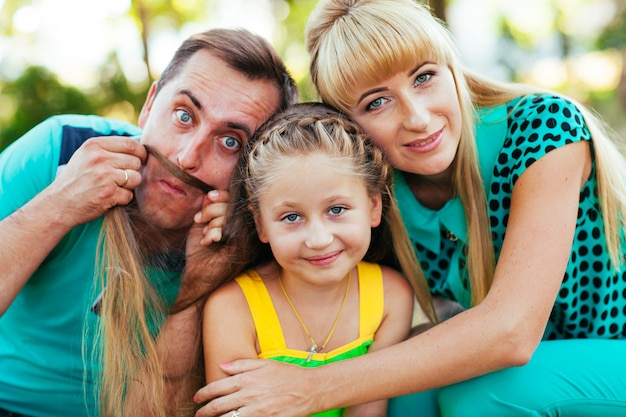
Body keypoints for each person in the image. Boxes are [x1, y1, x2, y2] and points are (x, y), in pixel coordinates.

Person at [192, 1, 626, 416]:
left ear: (451, 68)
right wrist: (251, 210)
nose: (417, 117)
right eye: (376, 102)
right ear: (350, 125)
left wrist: (311, 387)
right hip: (545, 368)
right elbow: (305, 201)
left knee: (481, 395)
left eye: (423, 77)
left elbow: (511, 332)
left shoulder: (543, 127)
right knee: (407, 397)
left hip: (609, 350)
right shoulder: (379, 189)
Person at [0, 28, 297, 417]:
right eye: (183, 115)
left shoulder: (248, 238)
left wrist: (197, 287)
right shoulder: (62, 149)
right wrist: (58, 205)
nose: (188, 156)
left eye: (230, 142)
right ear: (149, 104)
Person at [201, 102, 436, 417]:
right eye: (292, 216)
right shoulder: (233, 308)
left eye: (336, 209)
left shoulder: (390, 296)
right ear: (261, 225)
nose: (319, 239)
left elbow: (367, 412)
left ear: (373, 208)